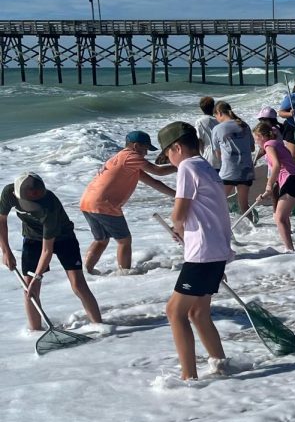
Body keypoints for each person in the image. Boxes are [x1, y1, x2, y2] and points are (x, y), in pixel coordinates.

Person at [156, 122, 233, 381]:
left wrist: (177, 227)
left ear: (176, 147)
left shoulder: (187, 167)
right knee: (198, 313)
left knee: (174, 312)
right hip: (217, 250)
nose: (170, 160)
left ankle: (188, 377)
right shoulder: (207, 167)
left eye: (168, 154)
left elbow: (180, 211)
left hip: (203, 252)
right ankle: (221, 365)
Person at [1, 172, 103, 331]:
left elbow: (47, 250)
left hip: (63, 238)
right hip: (32, 238)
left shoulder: (50, 206)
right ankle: (35, 332)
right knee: (29, 289)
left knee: (78, 284)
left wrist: (38, 276)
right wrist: (6, 251)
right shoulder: (8, 193)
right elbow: (1, 221)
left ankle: (100, 327)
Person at [80, 131, 177, 273]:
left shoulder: (122, 159)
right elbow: (158, 171)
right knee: (124, 240)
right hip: (104, 204)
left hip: (87, 202)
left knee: (101, 240)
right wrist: (180, 165)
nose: (145, 153)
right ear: (136, 146)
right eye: (145, 149)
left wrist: (176, 195)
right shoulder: (131, 156)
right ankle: (124, 274)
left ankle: (87, 272)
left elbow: (154, 182)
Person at [254, 120, 295, 251]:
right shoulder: (277, 143)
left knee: (279, 218)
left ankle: (290, 249)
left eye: (256, 138)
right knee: (283, 217)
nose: (256, 142)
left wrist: (268, 187)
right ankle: (290, 246)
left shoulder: (268, 145)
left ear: (262, 136)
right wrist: (269, 191)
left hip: (292, 180)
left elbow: (277, 165)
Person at [212, 102, 256, 215]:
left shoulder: (217, 129)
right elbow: (252, 148)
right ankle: (253, 230)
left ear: (220, 113)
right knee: (244, 205)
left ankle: (221, 230)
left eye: (215, 116)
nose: (216, 119)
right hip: (246, 171)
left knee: (218, 203)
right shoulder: (244, 125)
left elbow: (218, 154)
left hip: (229, 171)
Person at [197, 97, 220, 168]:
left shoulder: (200, 121)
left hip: (209, 155)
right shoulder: (219, 120)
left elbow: (199, 140)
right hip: (222, 154)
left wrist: (201, 155)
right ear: (213, 107)